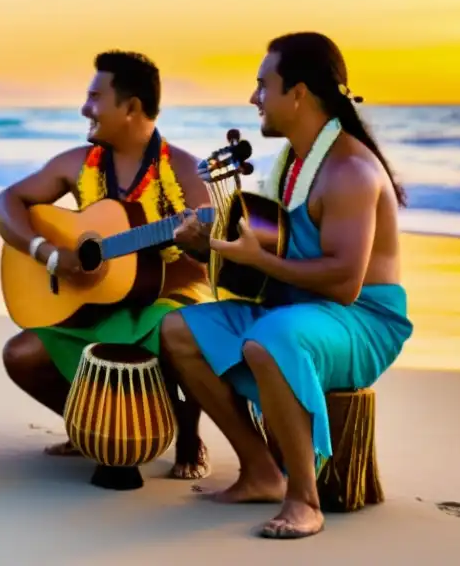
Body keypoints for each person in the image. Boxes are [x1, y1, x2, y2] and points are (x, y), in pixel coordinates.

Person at [163, 32, 414, 539]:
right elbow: (269, 255)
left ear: (297, 93)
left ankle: (305, 498)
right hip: (297, 305)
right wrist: (205, 244)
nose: (254, 98)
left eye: (263, 85)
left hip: (361, 321)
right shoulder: (294, 164)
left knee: (272, 339)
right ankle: (259, 470)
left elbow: (344, 283)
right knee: (178, 331)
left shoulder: (349, 170)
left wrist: (259, 260)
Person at [0, 50, 215, 479]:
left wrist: (199, 243)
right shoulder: (78, 164)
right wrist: (50, 254)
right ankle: (91, 421)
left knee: (181, 329)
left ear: (130, 107)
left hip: (166, 302)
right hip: (96, 302)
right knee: (22, 354)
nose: (84, 108)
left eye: (95, 97)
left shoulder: (183, 169)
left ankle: (188, 430)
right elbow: (3, 204)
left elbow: (210, 255)